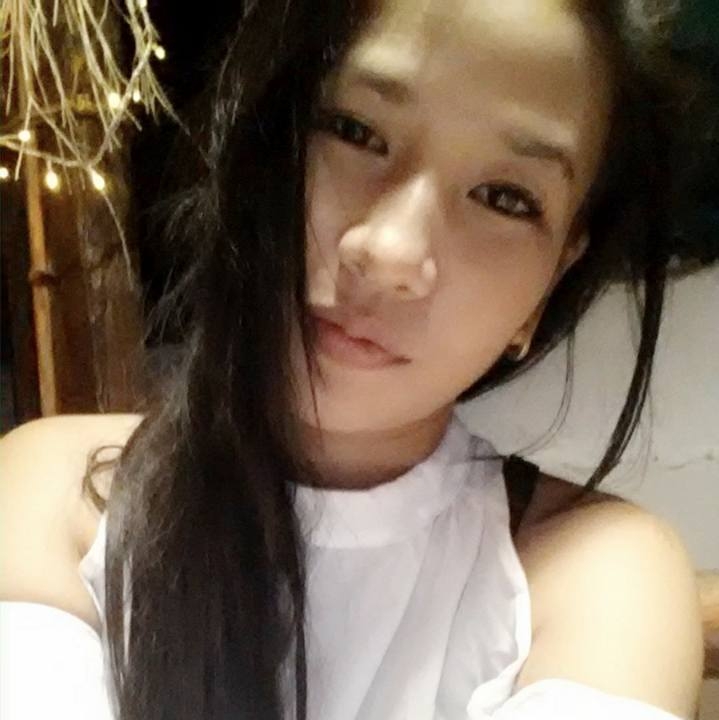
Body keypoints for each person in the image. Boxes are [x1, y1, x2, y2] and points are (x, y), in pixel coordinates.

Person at [0, 0, 713, 718]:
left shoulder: (596, 576)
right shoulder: (60, 497)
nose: (389, 252)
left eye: (504, 199)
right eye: (355, 131)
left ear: (550, 283)